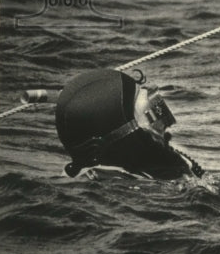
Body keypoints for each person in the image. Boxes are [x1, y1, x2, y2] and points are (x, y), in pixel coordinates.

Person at [55, 68, 201, 180]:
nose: (168, 133)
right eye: (152, 118)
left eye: (159, 112)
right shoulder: (138, 191)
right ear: (124, 141)